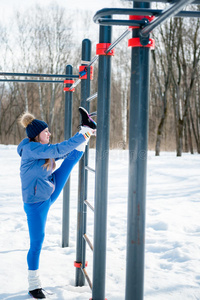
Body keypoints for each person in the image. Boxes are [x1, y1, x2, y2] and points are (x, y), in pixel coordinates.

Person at [17, 107, 96, 299]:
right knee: (37, 242)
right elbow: (58, 149)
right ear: (38, 135)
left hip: (48, 190)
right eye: (46, 132)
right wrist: (83, 133)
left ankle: (86, 129)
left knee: (70, 160)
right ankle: (34, 285)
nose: (49, 133)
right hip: (35, 205)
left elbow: (60, 153)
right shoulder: (30, 149)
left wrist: (84, 135)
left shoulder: (41, 148)